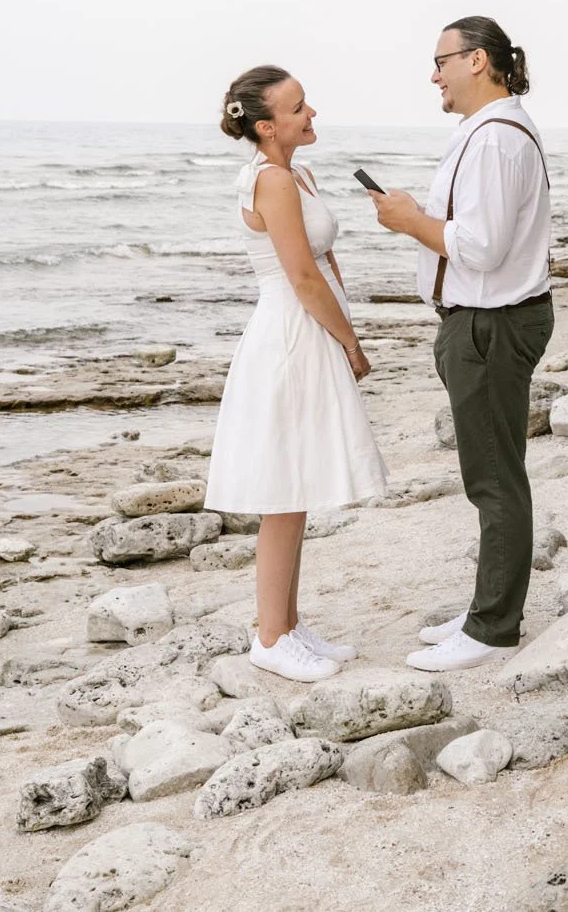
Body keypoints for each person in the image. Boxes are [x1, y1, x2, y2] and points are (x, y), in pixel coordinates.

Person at [370, 16, 553, 672]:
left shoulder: (497, 140)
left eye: (441, 59)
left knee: (494, 479)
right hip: (483, 322)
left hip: (492, 324)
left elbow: (482, 246)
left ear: (478, 60)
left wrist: (409, 221)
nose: (434, 74)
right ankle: (487, 608)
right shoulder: (488, 134)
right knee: (492, 473)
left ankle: (493, 626)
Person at [205, 65, 388, 682]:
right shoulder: (270, 182)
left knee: (299, 485)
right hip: (288, 337)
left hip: (308, 333)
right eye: (299, 108)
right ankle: (268, 637)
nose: (312, 114)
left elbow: (324, 261)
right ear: (265, 126)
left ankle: (287, 624)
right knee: (283, 493)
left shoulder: (297, 173)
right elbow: (303, 279)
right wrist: (352, 343)